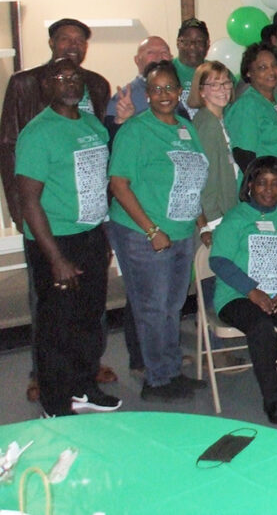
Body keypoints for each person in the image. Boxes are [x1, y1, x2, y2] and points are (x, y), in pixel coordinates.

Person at [6, 20, 113, 403]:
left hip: (91, 233)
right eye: (61, 79)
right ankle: (54, 400)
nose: (70, 83)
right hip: (54, 236)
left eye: (74, 79)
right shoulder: (37, 130)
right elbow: (28, 193)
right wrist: (53, 256)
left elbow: (99, 176)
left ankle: (84, 387)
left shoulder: (92, 123)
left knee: (89, 317)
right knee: (55, 323)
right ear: (47, 86)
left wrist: (103, 234)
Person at [107, 61, 209, 402]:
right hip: (143, 233)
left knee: (173, 305)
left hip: (181, 231)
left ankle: (171, 371)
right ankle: (157, 379)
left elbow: (193, 180)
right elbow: (119, 185)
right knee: (152, 308)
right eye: (156, 89)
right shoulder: (135, 130)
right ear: (147, 94)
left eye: (170, 88)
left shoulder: (186, 128)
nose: (164, 94)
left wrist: (201, 224)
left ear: (179, 91)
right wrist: (152, 231)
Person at [210, 156, 277, 424]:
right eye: (262, 183)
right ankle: (272, 399)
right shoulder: (235, 218)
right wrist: (252, 291)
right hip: (238, 296)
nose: (268, 189)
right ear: (250, 185)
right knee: (261, 328)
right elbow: (219, 260)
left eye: (275, 183)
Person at [225, 42, 277, 219]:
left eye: (274, 65)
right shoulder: (248, 105)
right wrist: (268, 194)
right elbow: (244, 156)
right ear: (249, 72)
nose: (271, 71)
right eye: (262, 67)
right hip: (267, 201)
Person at [188, 61, 240, 243]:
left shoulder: (221, 119)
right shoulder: (207, 124)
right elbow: (205, 178)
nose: (223, 89)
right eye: (215, 84)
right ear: (201, 91)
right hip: (215, 218)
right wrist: (212, 220)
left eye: (226, 83)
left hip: (228, 209)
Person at [104, 35, 173, 138]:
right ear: (137, 60)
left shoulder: (175, 94)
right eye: (151, 52)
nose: (159, 57)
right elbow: (109, 139)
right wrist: (121, 120)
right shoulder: (123, 99)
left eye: (164, 52)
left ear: (171, 58)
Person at [174, 18, 214, 118]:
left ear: (207, 44)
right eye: (186, 42)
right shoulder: (166, 71)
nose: (192, 47)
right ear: (178, 43)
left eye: (199, 42)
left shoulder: (217, 72)